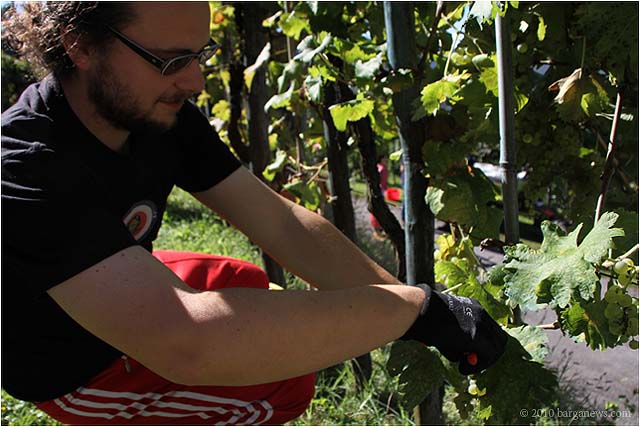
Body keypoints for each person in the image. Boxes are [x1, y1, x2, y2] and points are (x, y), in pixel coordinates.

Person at [1, 2, 508, 425]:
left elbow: (280, 222)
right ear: (79, 45)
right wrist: (408, 310)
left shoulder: (158, 114)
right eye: (170, 61)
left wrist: (419, 310)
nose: (196, 81)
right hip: (70, 367)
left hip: (104, 291)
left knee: (246, 284)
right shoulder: (25, 168)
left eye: (199, 55)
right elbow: (188, 344)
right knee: (284, 386)